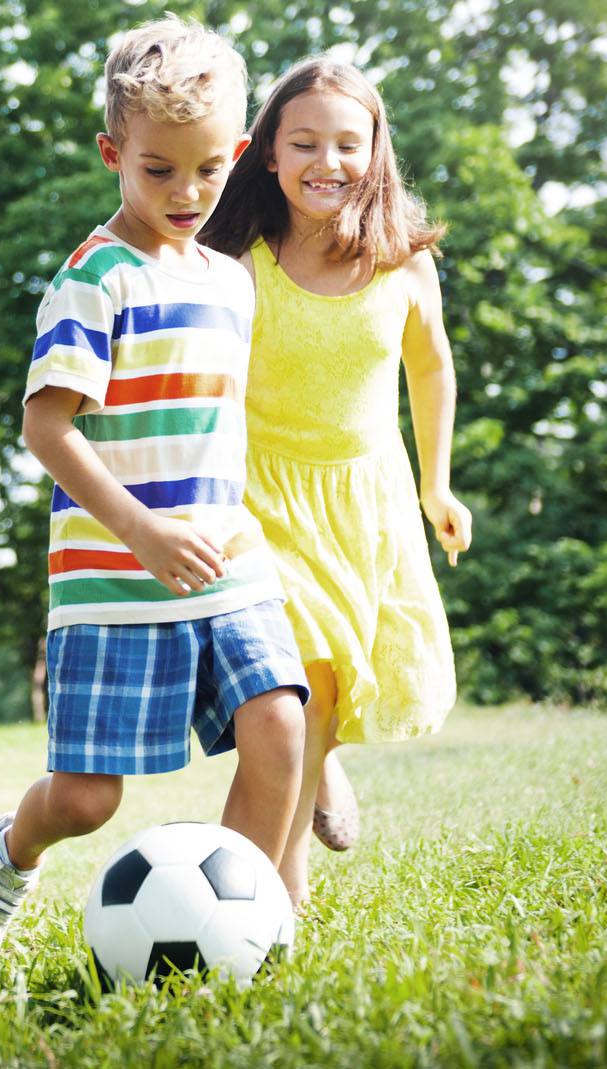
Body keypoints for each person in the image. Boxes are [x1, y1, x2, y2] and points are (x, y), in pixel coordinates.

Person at [0, 16, 308, 971]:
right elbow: (45, 427)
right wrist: (140, 530)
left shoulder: (232, 281)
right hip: (116, 575)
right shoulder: (94, 279)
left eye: (209, 170)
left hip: (226, 560)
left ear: (243, 159)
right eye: (158, 171)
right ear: (114, 155)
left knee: (279, 726)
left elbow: (219, 424)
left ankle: (245, 928)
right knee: (87, 797)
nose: (187, 194)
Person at [199, 58, 471, 901]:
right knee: (302, 681)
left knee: (337, 675)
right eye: (305, 142)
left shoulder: (403, 266)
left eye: (348, 144)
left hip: (365, 499)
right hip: (260, 502)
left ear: (376, 151)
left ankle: (321, 771)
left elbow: (430, 370)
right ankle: (278, 896)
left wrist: (438, 485)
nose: (328, 161)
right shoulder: (242, 264)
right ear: (268, 155)